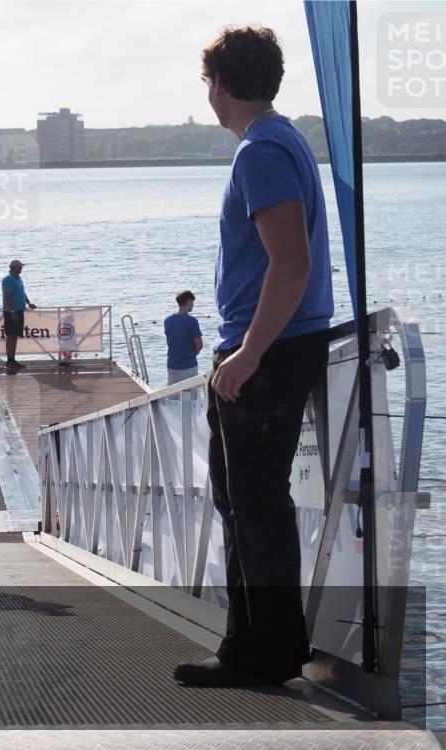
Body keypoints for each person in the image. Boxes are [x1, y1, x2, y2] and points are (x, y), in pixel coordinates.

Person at [173, 26, 333, 687]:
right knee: (251, 502)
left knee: (253, 505)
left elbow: (289, 261)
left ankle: (256, 654)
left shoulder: (260, 152)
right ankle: (271, 644)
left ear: (219, 84)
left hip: (265, 352)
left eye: (206, 82)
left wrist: (247, 354)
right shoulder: (283, 139)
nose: (207, 94)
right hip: (276, 346)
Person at [1, 259, 37, 370]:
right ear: (14, 268)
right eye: (20, 266)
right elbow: (7, 296)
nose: (22, 268)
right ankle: (9, 361)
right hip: (11, 312)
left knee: (15, 336)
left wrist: (29, 303)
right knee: (10, 336)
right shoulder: (8, 279)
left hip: (20, 310)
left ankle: (13, 360)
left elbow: (22, 292)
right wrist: (12, 312)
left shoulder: (18, 278)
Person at [164, 290, 204, 384]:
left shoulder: (168, 320)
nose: (193, 305)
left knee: (173, 395)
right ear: (188, 302)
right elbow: (199, 345)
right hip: (188, 365)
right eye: (192, 302)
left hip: (172, 364)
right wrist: (193, 354)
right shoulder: (192, 321)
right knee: (191, 395)